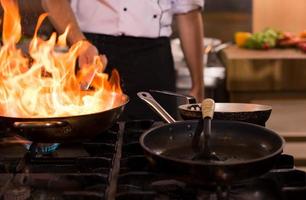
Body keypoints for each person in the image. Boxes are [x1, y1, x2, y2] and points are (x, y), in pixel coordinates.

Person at [41, 0, 205, 120]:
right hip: (91, 54)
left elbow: (188, 13)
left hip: (152, 61)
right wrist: (79, 42)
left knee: (158, 142)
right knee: (87, 152)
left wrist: (198, 86)